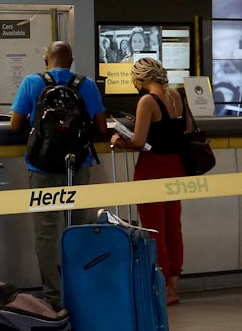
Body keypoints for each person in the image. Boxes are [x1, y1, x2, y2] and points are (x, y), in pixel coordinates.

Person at [10, 41, 108, 310]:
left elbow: (15, 124)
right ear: (71, 60)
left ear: (46, 59)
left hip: (41, 168)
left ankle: (53, 295)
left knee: (46, 233)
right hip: (78, 166)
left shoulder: (32, 82)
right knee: (76, 230)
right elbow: (101, 126)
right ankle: (79, 290)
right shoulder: (86, 85)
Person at [110, 57, 187, 305]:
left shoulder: (147, 101)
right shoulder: (177, 97)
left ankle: (163, 288)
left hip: (152, 168)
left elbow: (138, 142)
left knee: (155, 229)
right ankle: (174, 283)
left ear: (141, 78)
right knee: (173, 225)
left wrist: (117, 140)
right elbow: (186, 129)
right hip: (176, 166)